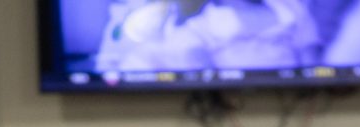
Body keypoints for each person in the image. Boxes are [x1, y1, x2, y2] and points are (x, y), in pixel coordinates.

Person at [94, 0, 320, 72]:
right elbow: (192, 54)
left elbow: (309, 50)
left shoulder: (288, 7)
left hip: (284, 87)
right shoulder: (207, 20)